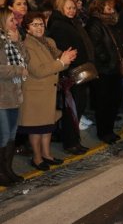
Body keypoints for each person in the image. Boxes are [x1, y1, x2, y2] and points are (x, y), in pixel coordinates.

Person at [20, 12, 77, 170]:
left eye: (41, 24)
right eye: (34, 25)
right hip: (35, 93)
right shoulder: (26, 45)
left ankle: (47, 154)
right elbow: (38, 70)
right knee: (36, 128)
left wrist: (67, 58)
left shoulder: (48, 41)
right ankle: (37, 158)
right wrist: (61, 61)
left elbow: (60, 61)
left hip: (48, 91)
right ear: (27, 28)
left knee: (47, 126)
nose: (39, 27)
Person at [46, 0, 94, 155]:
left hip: (77, 71)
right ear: (61, 8)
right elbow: (62, 52)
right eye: (69, 8)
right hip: (70, 74)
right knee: (72, 109)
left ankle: (74, 140)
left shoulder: (69, 22)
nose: (72, 10)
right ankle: (71, 143)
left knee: (77, 108)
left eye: (73, 7)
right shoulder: (59, 25)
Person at [85, 0, 123, 144]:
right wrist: (107, 59)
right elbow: (96, 46)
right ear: (100, 6)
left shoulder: (111, 21)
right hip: (103, 70)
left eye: (112, 6)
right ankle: (104, 132)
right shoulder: (94, 23)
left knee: (114, 101)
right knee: (104, 103)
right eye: (109, 6)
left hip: (114, 68)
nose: (112, 8)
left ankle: (110, 129)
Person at [0, 7, 28, 186]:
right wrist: (18, 70)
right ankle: (1, 173)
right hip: (2, 97)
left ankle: (8, 169)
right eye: (11, 20)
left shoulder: (13, 40)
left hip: (15, 94)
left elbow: (27, 59)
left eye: (15, 20)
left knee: (11, 136)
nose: (16, 23)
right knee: (3, 136)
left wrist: (18, 43)